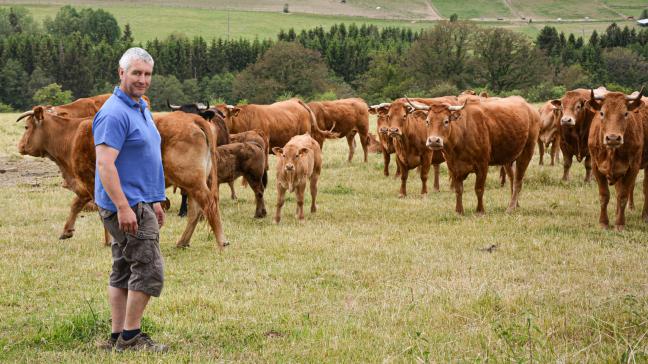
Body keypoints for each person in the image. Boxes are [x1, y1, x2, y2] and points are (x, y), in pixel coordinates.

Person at [93, 47, 167, 352]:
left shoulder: (139, 106)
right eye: (136, 73)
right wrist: (124, 207)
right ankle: (131, 338)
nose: (142, 79)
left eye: (147, 74)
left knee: (124, 267)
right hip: (128, 205)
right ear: (121, 73)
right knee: (149, 268)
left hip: (140, 201)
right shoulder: (113, 113)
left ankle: (117, 336)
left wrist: (156, 199)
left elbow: (144, 157)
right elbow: (105, 164)